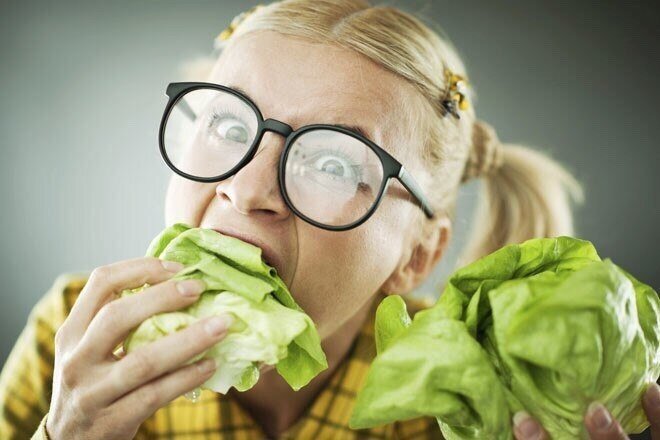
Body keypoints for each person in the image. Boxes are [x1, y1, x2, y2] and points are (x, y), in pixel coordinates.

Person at [1, 1, 658, 439]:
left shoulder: (469, 404)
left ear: (418, 256)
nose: (247, 189)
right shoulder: (73, 339)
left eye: (335, 164)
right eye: (229, 125)